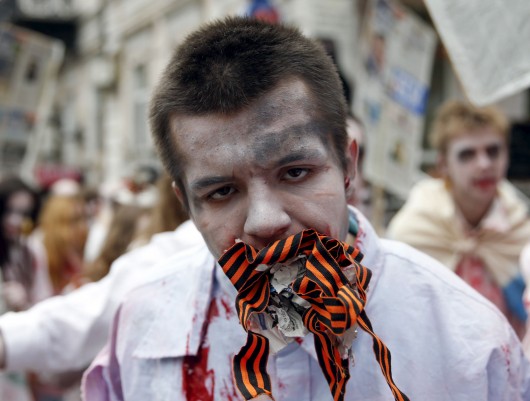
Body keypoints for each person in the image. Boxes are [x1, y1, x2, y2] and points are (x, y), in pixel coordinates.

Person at [82, 17, 530, 401]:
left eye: (295, 172)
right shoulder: (145, 327)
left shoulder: (470, 344)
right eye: (221, 192)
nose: (265, 222)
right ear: (187, 205)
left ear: (348, 165)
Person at [0, 176, 190, 375]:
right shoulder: (39, 248)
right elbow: (99, 307)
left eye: (82, 218)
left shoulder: (41, 251)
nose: (16, 221)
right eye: (72, 220)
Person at [387, 100, 530, 338]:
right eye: (467, 154)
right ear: (443, 164)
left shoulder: (520, 227)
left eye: (493, 151)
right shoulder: (414, 228)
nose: (484, 164)